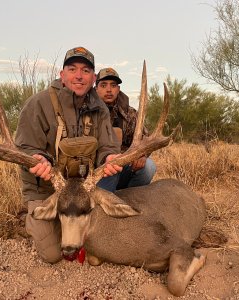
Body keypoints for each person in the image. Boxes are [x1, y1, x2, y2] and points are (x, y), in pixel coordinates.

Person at [15, 47, 122, 263]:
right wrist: (36, 159)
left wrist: (109, 158)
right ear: (62, 74)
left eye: (85, 70)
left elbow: (107, 146)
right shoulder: (38, 104)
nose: (79, 76)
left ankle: (69, 221)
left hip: (82, 189)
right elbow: (23, 146)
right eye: (72, 69)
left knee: (97, 239)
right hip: (46, 189)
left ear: (93, 78)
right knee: (53, 255)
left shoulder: (99, 107)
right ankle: (35, 219)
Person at [95, 67, 156, 191]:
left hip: (122, 165)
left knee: (149, 166)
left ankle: (130, 199)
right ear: (96, 89)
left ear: (118, 89)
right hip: (97, 170)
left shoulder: (130, 113)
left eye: (113, 85)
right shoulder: (88, 112)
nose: (108, 89)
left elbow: (146, 138)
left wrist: (141, 154)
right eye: (103, 85)